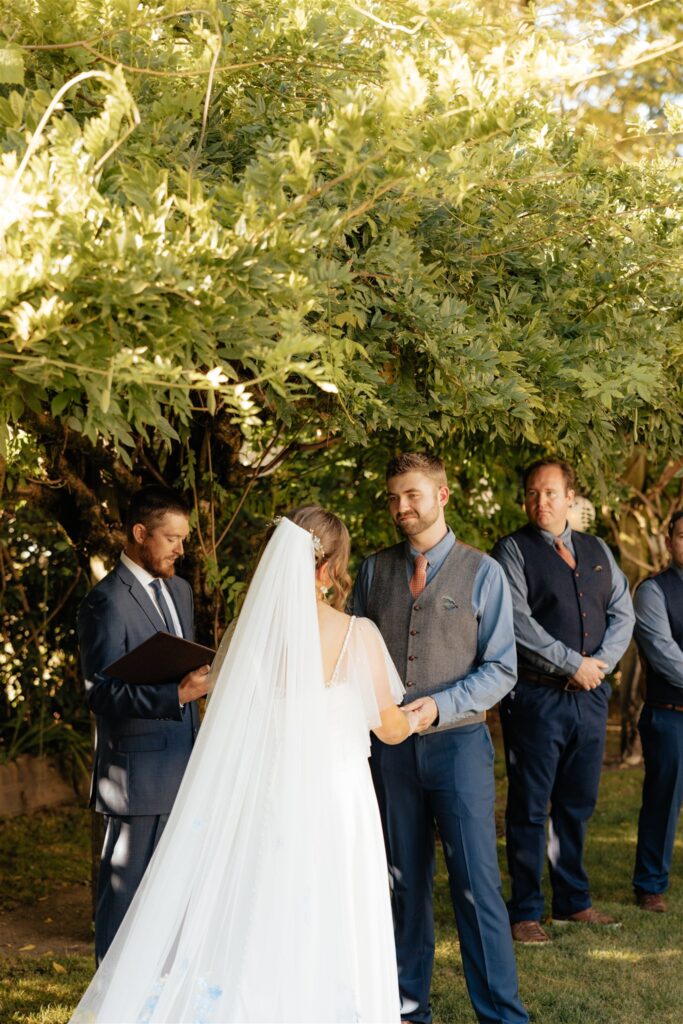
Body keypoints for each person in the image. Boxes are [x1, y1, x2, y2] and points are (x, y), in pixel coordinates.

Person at [72, 507, 414, 1023]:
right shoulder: (357, 634)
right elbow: (387, 727)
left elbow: (228, 722)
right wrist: (422, 715)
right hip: (337, 808)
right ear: (330, 570)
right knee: (334, 916)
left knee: (260, 915)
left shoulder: (246, 634)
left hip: (268, 802)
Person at [352, 453, 528, 1024]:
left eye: (414, 495)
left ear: (443, 495)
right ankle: (406, 1011)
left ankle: (501, 1014)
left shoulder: (484, 572)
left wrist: (437, 707)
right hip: (390, 754)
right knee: (403, 885)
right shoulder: (374, 572)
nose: (402, 508)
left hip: (459, 748)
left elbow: (502, 669)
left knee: (476, 887)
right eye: (394, 498)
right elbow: (353, 658)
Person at [492, 459, 634, 944]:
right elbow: (517, 621)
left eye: (550, 493)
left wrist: (600, 666)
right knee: (530, 807)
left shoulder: (598, 550)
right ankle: (525, 911)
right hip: (536, 697)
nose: (541, 502)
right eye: (532, 493)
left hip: (590, 700)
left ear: (570, 497)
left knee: (577, 802)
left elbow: (623, 612)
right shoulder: (512, 550)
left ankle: (573, 902)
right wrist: (572, 662)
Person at [78, 485, 212, 964]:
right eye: (171, 538)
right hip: (135, 778)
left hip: (184, 765)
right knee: (123, 902)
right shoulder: (107, 601)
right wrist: (176, 695)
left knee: (175, 900)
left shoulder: (180, 590)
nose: (181, 549)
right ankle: (107, 1004)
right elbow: (100, 692)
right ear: (139, 534)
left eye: (183, 538)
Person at [632, 509, 683, 912]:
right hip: (670, 714)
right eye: (682, 535)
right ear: (669, 542)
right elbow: (665, 657)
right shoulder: (653, 591)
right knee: (663, 802)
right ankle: (650, 883)